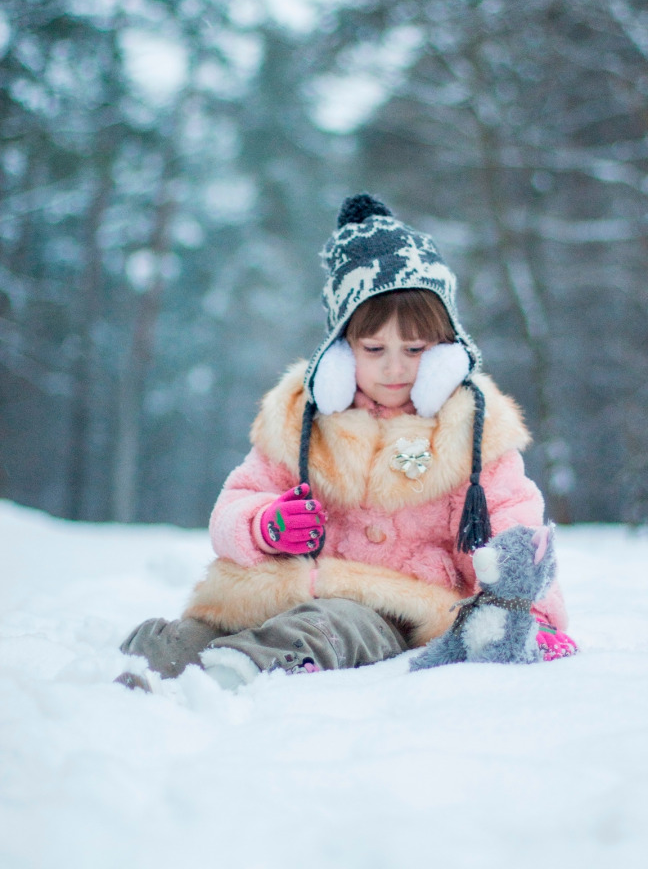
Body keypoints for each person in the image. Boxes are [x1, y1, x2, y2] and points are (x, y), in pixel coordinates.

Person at [116, 194, 576, 692]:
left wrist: (526, 611)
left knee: (331, 624)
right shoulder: (303, 420)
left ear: (447, 351)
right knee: (205, 629)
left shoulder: (469, 433)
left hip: (396, 610)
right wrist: (265, 528)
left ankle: (239, 671)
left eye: (416, 350)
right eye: (374, 349)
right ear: (340, 350)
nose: (396, 368)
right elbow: (236, 502)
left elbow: (512, 523)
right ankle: (162, 664)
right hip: (289, 587)